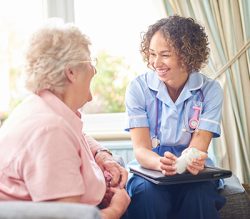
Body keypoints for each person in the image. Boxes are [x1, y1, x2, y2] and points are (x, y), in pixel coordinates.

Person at [0, 19, 130, 219]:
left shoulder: (44, 107)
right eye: (90, 63)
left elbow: (78, 135)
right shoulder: (50, 130)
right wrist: (117, 208)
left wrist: (102, 155)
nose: (94, 71)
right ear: (71, 72)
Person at [125, 15, 226, 219]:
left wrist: (190, 160)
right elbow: (141, 149)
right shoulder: (138, 88)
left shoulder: (210, 90)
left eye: (165, 55)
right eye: (152, 54)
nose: (155, 62)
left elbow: (199, 143)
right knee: (147, 194)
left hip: (191, 166)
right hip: (151, 165)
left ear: (187, 55)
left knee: (198, 194)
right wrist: (160, 163)